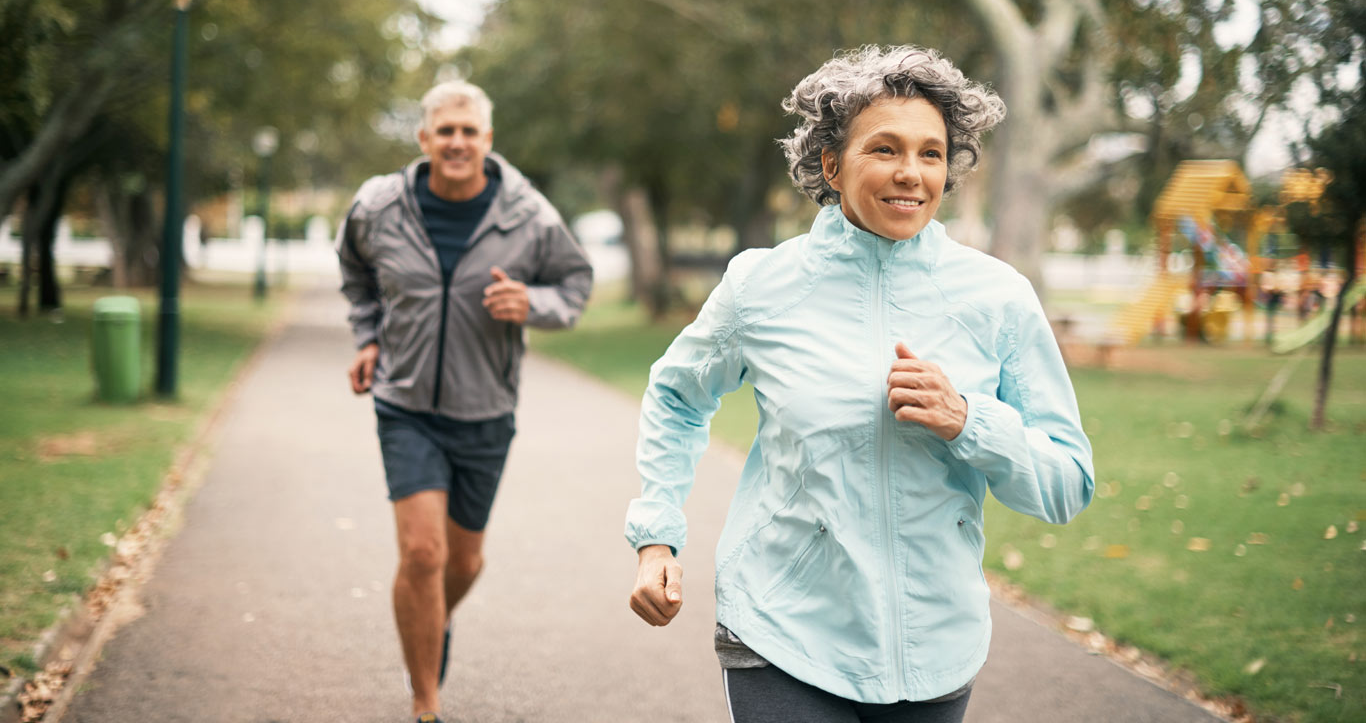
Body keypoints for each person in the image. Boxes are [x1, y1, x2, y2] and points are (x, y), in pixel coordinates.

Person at [625, 46, 1094, 723]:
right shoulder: (762, 287)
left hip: (935, 646)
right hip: (782, 630)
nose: (911, 173)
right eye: (885, 148)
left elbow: (1068, 482)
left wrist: (969, 421)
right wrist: (657, 538)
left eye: (931, 154)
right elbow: (676, 396)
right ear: (830, 164)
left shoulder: (997, 297)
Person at [338, 79, 592, 723]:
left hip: (485, 411)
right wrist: (368, 338)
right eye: (444, 130)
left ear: (487, 140)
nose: (456, 142)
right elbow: (356, 272)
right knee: (423, 554)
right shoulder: (378, 206)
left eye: (468, 131)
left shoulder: (529, 215)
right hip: (405, 404)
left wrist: (531, 304)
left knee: (464, 559)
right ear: (424, 138)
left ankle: (429, 620)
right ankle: (426, 702)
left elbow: (575, 283)